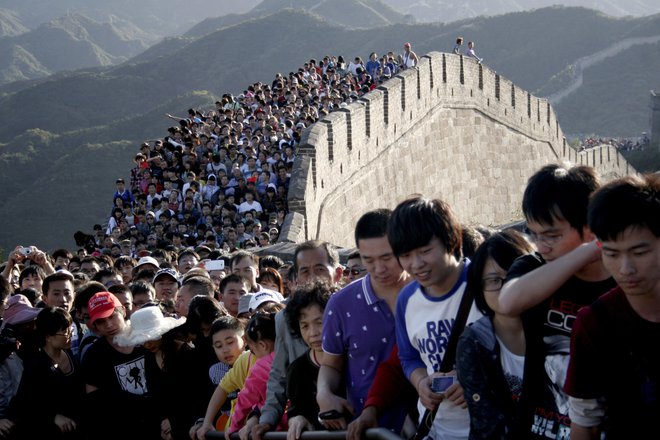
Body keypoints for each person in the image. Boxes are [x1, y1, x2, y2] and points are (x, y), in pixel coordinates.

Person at [498, 164, 616, 439]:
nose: (541, 246)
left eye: (552, 235)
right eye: (535, 234)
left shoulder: (623, 280)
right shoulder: (531, 266)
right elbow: (509, 301)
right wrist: (591, 250)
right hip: (540, 426)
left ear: (589, 226)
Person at [564, 174, 660, 439]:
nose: (625, 269)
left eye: (639, 253)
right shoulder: (595, 324)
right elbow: (585, 423)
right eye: (611, 253)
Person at [389, 196, 482, 440]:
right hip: (437, 429)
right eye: (406, 255)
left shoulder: (485, 282)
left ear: (451, 239)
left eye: (425, 251)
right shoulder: (406, 300)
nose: (416, 264)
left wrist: (477, 381)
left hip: (492, 426)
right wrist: (421, 383)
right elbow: (409, 357)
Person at [317, 209, 411, 432]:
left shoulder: (427, 293)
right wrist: (324, 393)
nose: (379, 269)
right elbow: (331, 365)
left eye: (387, 257)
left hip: (434, 424)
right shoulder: (341, 304)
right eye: (368, 260)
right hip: (368, 428)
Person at [251, 240, 343, 440]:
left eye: (319, 269)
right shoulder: (284, 319)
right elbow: (279, 375)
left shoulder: (351, 311)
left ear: (337, 274)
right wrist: (266, 419)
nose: (312, 277)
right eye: (304, 271)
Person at [455, 230, 534, 439]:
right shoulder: (474, 342)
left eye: (514, 277)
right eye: (493, 280)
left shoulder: (555, 329)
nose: (506, 287)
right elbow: (486, 422)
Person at [81, 292, 158, 439]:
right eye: (102, 321)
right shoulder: (94, 355)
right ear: (95, 324)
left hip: (158, 421)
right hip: (121, 428)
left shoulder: (147, 339)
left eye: (112, 316)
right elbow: (94, 399)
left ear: (123, 310)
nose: (109, 325)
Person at [114, 305, 188, 440]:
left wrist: (173, 420)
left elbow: (190, 392)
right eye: (142, 341)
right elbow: (156, 394)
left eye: (150, 338)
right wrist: (164, 420)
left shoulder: (183, 351)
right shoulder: (149, 357)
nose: (147, 345)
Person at [10, 307, 84, 439]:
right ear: (48, 337)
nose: (70, 335)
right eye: (65, 332)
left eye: (71, 330)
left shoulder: (70, 354)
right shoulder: (36, 366)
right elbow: (25, 406)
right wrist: (52, 417)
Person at [284, 280, 338, 440]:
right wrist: (296, 419)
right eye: (305, 326)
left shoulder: (355, 360)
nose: (313, 333)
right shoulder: (297, 369)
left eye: (319, 323)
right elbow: (296, 409)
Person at [194, 316, 253, 439]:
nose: (225, 350)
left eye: (230, 342)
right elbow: (218, 392)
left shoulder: (252, 360)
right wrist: (205, 422)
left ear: (245, 340)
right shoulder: (214, 371)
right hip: (227, 425)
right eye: (219, 346)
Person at [227, 313, 280, 439]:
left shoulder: (261, 367)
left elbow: (245, 400)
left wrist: (234, 427)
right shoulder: (294, 358)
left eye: (252, 351)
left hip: (272, 429)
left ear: (262, 345)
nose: (253, 355)